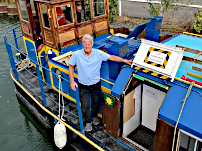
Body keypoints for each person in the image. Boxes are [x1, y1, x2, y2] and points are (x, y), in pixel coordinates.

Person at [69, 34, 133, 132]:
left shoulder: (98, 53)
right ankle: (88, 122)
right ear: (82, 44)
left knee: (96, 102)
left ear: (92, 44)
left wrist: (125, 60)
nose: (87, 46)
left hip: (95, 84)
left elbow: (111, 57)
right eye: (85, 44)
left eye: (89, 44)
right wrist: (72, 81)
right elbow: (71, 66)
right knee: (85, 104)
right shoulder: (76, 55)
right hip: (83, 85)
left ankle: (94, 116)